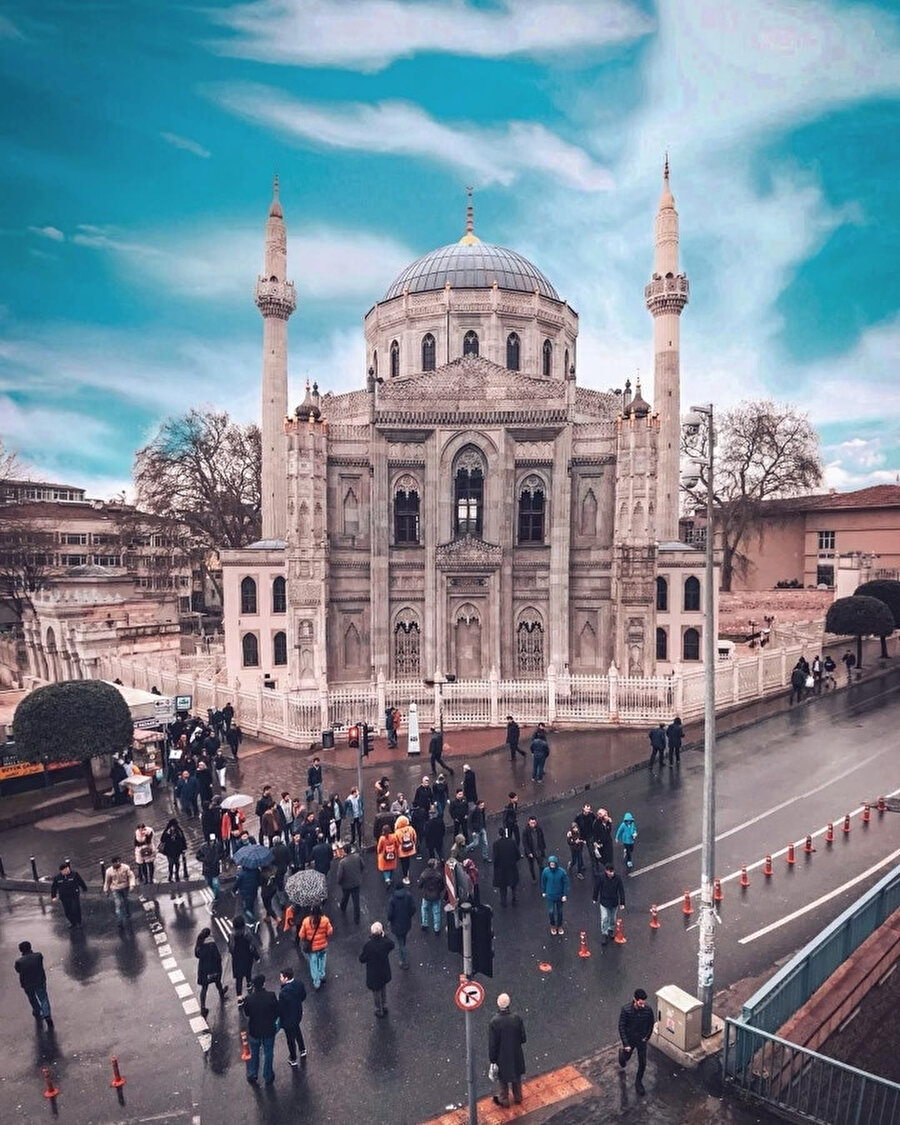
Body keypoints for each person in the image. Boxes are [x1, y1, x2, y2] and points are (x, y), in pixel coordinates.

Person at [488, 993, 526, 1108]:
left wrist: (493, 1059)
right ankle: (518, 1097)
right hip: (516, 1053)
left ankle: (504, 1100)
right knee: (516, 1075)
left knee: (503, 1079)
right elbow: (523, 1038)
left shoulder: (494, 1022)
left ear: (498, 1004)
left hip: (501, 1056)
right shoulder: (516, 1018)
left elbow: (493, 1044)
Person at [618, 988, 655, 1096]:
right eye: (640, 1003)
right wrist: (626, 1044)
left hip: (641, 1040)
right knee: (626, 1057)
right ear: (634, 999)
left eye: (643, 1003)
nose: (642, 1005)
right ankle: (622, 1055)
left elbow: (650, 1024)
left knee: (642, 1063)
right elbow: (621, 1026)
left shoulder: (648, 1010)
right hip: (630, 1040)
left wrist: (647, 1037)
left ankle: (638, 1082)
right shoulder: (626, 1010)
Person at [244, 974, 279, 1085]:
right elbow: (276, 1011)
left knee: (254, 1053)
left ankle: (253, 1073)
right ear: (264, 983)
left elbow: (247, 1013)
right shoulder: (271, 996)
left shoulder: (249, 999)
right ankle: (268, 1075)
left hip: (254, 1030)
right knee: (268, 1053)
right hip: (269, 1029)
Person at [359, 921, 395, 1018]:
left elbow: (362, 959)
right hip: (384, 970)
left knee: (376, 992)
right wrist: (385, 936)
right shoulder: (385, 943)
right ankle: (384, 1005)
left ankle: (379, 1010)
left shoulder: (369, 946)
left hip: (373, 973)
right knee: (383, 988)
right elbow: (392, 944)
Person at [15, 941, 53, 1028]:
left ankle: (37, 1010)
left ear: (21, 950)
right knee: (43, 997)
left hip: (27, 983)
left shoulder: (19, 962)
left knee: (32, 998)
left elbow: (18, 970)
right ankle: (46, 1014)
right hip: (39, 980)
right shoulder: (38, 956)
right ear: (30, 947)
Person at [298, 904, 333, 990]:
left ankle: (316, 982)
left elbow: (301, 935)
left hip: (312, 948)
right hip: (322, 945)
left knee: (313, 964)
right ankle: (322, 975)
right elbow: (330, 932)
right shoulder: (325, 920)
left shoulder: (306, 921)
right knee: (322, 961)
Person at [194, 927, 228, 1015]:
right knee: (217, 981)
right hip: (213, 968)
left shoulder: (199, 943)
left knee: (204, 988)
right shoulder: (211, 944)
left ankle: (203, 1007)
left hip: (203, 970)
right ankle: (221, 992)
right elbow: (217, 956)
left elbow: (197, 955)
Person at [278, 968, 307, 1066]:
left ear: (286, 978)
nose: (280, 979)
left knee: (290, 1039)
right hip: (297, 1013)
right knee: (297, 1030)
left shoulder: (283, 992)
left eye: (281, 977)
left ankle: (293, 1058)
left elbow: (281, 1008)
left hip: (287, 1018)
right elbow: (303, 996)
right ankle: (302, 1049)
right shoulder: (299, 984)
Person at [228, 915, 259, 1003]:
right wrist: (257, 957)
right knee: (248, 971)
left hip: (237, 960)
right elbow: (252, 947)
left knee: (239, 979)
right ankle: (249, 984)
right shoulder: (247, 934)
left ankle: (239, 998)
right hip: (247, 958)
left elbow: (230, 949)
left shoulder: (231, 936)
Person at [593, 862, 626, 944]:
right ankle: (604, 933)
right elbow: (596, 887)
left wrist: (622, 902)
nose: (611, 873)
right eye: (609, 872)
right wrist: (595, 898)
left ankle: (610, 930)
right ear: (606, 871)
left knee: (612, 919)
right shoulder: (601, 878)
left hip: (614, 902)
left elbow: (621, 890)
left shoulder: (618, 878)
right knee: (604, 918)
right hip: (604, 902)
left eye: (612, 871)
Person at [387, 881, 415, 968]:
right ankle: (404, 953)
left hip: (396, 924)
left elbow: (390, 914)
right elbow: (413, 908)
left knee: (400, 943)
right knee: (403, 939)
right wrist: (409, 916)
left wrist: (390, 920)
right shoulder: (408, 896)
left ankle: (403, 960)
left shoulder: (392, 899)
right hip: (406, 922)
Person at [50, 862, 88, 928]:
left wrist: (84, 888)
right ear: (61, 871)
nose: (67, 871)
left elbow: (80, 881)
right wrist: (53, 896)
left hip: (74, 895)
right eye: (65, 870)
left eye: (68, 869)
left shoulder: (74, 874)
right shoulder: (57, 878)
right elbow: (54, 887)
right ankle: (73, 923)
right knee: (67, 911)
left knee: (75, 909)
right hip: (64, 897)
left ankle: (78, 922)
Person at [103, 856, 136, 929]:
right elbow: (107, 881)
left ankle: (127, 912)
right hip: (115, 889)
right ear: (113, 863)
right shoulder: (109, 871)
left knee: (126, 900)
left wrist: (132, 885)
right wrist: (106, 890)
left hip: (125, 887)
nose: (118, 863)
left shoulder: (125, 867)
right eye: (116, 862)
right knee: (118, 904)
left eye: (119, 861)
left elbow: (131, 876)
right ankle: (119, 921)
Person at [540, 855, 569, 935]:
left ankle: (559, 926)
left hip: (559, 895)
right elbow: (543, 882)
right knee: (551, 912)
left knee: (559, 912)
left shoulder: (562, 872)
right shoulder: (545, 871)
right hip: (550, 895)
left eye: (553, 864)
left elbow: (565, 883)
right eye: (551, 864)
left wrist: (565, 894)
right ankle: (553, 925)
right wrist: (543, 891)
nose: (552, 866)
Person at [492, 828, 521, 907]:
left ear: (498, 834)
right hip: (511, 866)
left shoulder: (496, 844)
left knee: (503, 886)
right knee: (513, 884)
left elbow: (495, 858)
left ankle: (503, 901)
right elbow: (518, 854)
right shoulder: (512, 842)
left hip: (501, 869)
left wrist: (496, 866)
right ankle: (514, 899)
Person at [417, 858, 444, 933]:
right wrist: (438, 891)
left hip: (426, 895)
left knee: (424, 909)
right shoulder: (438, 875)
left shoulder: (424, 874)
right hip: (436, 895)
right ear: (434, 866)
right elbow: (442, 886)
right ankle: (437, 928)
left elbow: (420, 885)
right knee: (436, 912)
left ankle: (425, 924)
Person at [235, 860, 261, 925]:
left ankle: (253, 920)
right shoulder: (256, 871)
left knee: (246, 909)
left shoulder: (241, 874)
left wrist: (233, 890)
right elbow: (259, 880)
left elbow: (237, 884)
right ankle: (252, 915)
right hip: (253, 891)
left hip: (245, 893)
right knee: (251, 905)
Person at [197, 835, 222, 903]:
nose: (212, 842)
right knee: (208, 882)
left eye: (213, 841)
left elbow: (222, 853)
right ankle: (214, 891)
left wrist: (218, 858)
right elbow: (198, 856)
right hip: (207, 868)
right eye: (211, 841)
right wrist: (204, 859)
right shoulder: (203, 847)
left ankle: (216, 896)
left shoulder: (218, 845)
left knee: (215, 883)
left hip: (215, 867)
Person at [522, 815, 546, 883]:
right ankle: (533, 878)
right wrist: (529, 852)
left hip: (538, 850)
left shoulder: (539, 829)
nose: (533, 824)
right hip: (531, 852)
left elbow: (542, 838)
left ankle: (542, 877)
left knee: (541, 865)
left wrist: (543, 849)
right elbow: (525, 842)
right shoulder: (525, 831)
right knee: (531, 866)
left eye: (534, 823)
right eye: (532, 823)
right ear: (529, 822)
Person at [394, 814, 418, 884]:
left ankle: (405, 876)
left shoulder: (397, 832)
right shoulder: (410, 829)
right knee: (407, 861)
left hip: (401, 850)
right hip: (410, 848)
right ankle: (407, 872)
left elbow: (396, 842)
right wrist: (414, 844)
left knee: (403, 863)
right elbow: (415, 837)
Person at [376, 822, 399, 888]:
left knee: (385, 869)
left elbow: (379, 848)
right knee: (391, 867)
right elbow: (397, 844)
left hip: (384, 856)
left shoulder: (382, 839)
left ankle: (387, 879)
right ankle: (391, 878)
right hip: (392, 854)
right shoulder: (393, 836)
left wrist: (378, 853)